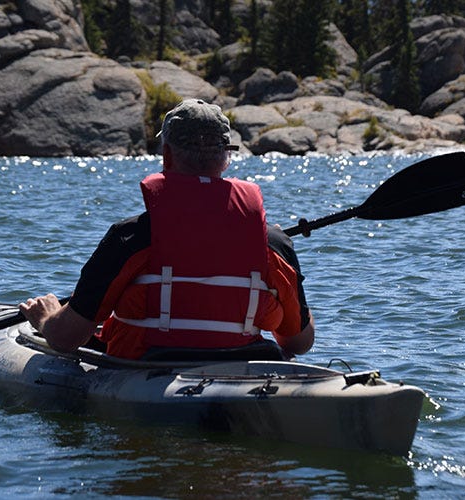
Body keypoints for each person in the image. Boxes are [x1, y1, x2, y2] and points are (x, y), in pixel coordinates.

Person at [19, 98, 314, 360]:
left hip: (149, 370)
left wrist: (45, 319)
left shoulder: (130, 238)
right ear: (226, 158)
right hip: (241, 368)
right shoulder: (274, 243)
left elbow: (65, 339)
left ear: (167, 155)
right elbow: (299, 342)